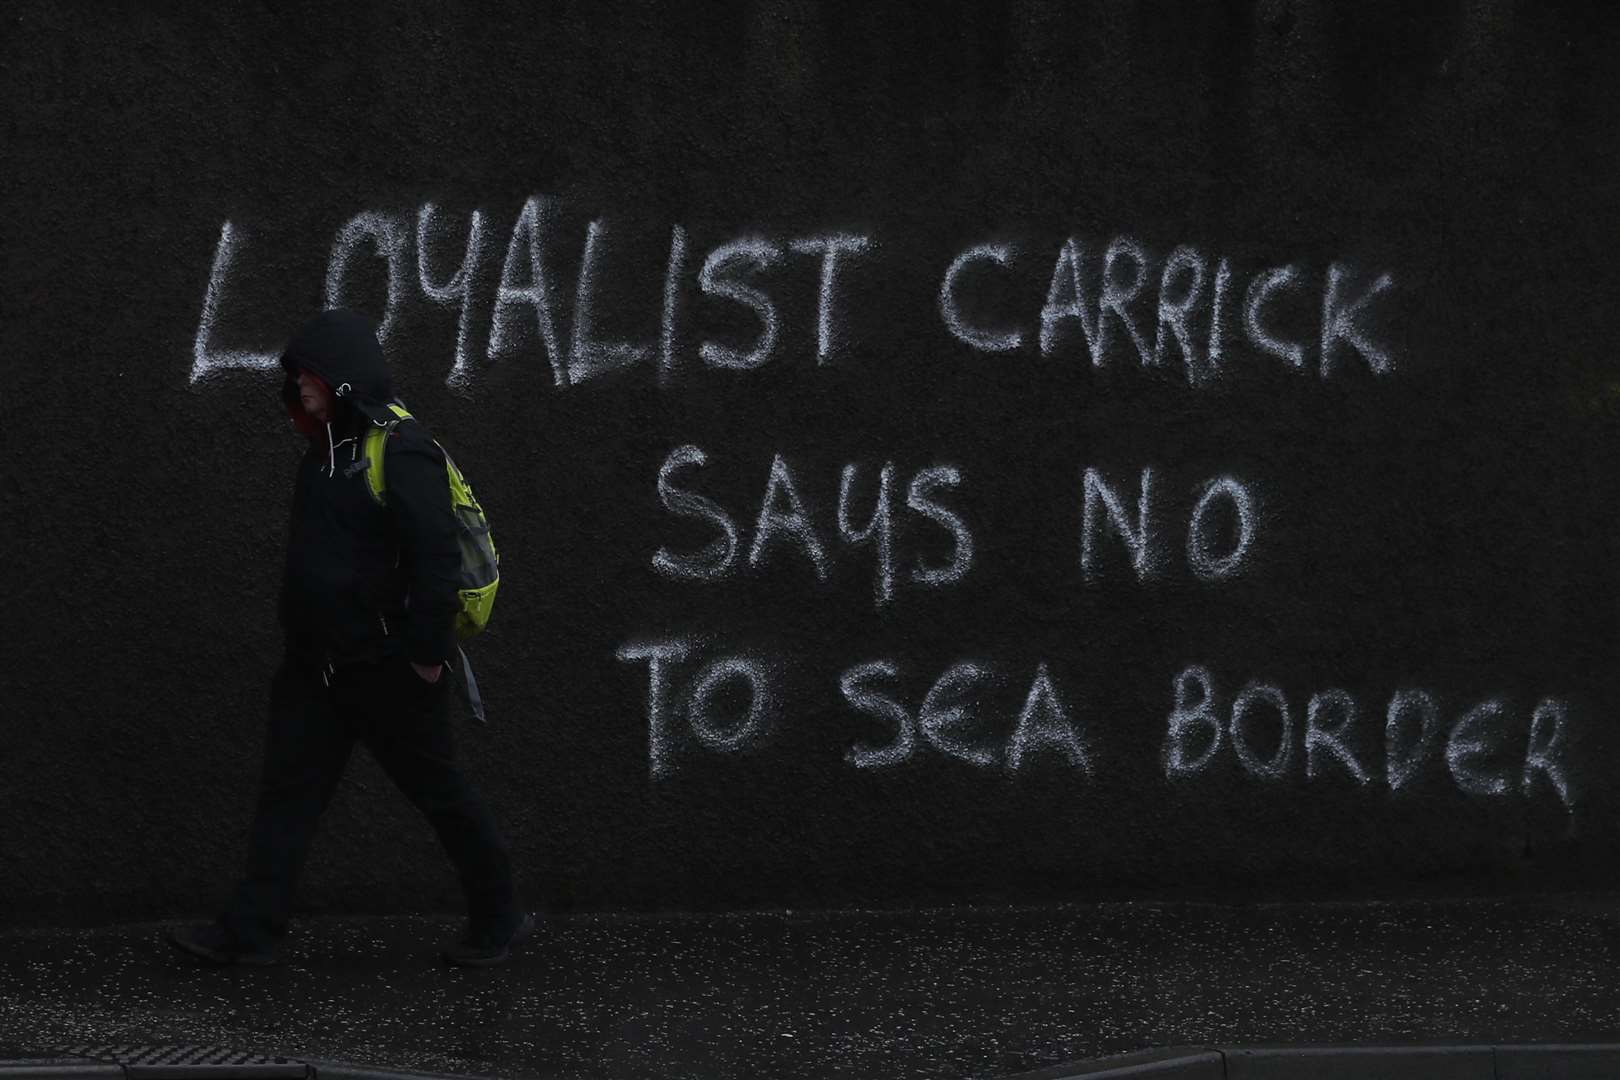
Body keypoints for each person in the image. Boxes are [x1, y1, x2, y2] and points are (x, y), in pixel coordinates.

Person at [165, 309, 531, 967]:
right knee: (287, 798)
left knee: (442, 797)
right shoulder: (323, 453)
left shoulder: (403, 450)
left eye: (309, 371)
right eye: (296, 373)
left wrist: (423, 657)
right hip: (316, 670)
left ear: (341, 378)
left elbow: (436, 558)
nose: (298, 382)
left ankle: (500, 918)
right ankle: (251, 931)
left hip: (388, 670)